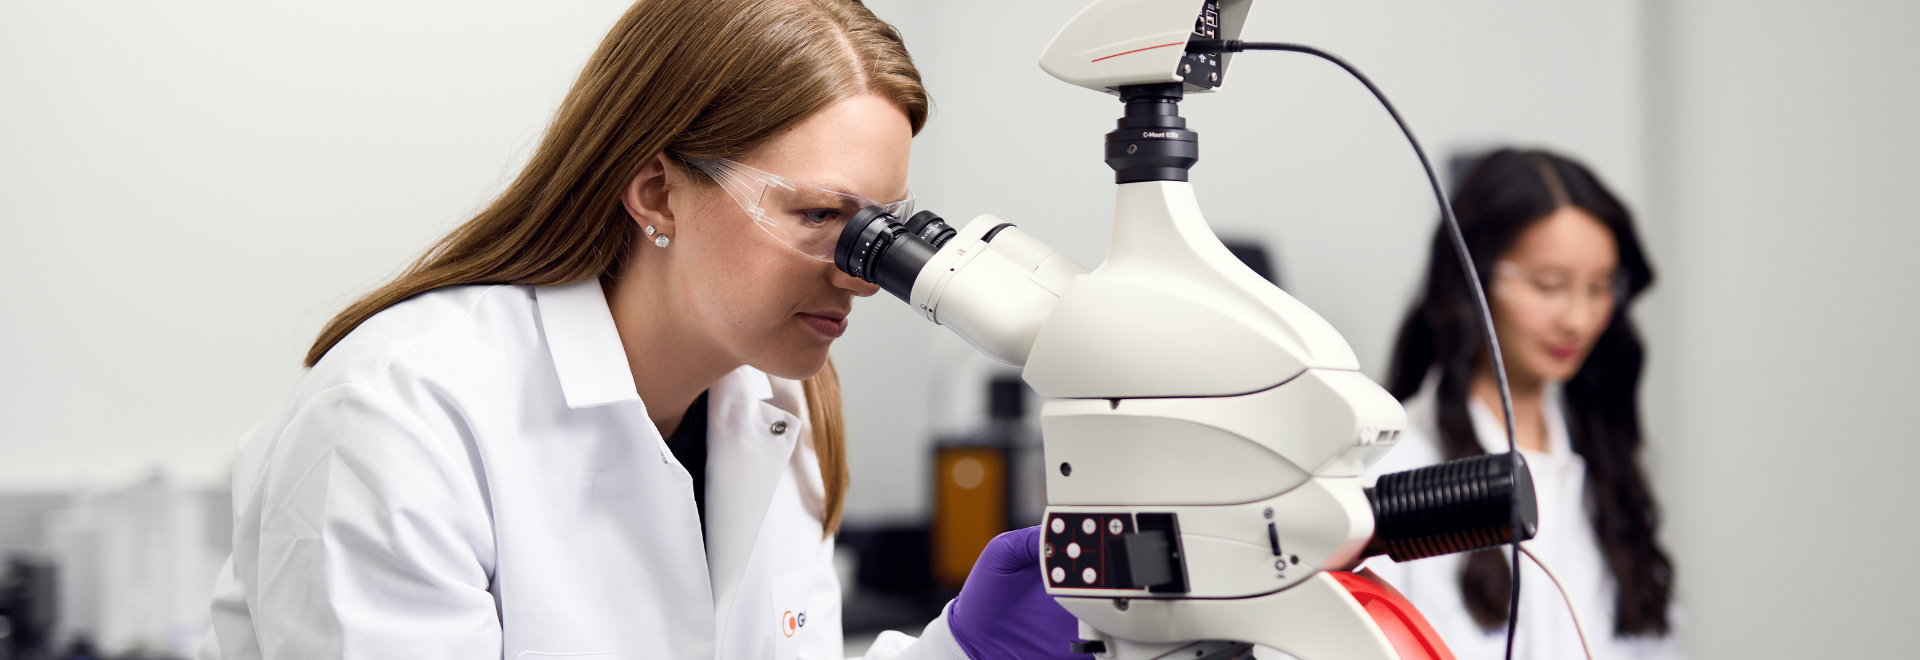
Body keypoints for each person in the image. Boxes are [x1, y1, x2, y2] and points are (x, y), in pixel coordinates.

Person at [196, 1, 1083, 658]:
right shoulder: (401, 417)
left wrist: (961, 652)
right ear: (657, 191)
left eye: (888, 227)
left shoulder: (778, 401)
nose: (863, 270)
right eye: (820, 214)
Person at [1363, 148, 1681, 659]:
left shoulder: (1606, 465)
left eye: (1600, 288)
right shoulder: (1395, 473)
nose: (1578, 319)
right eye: (1548, 285)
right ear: (1474, 280)